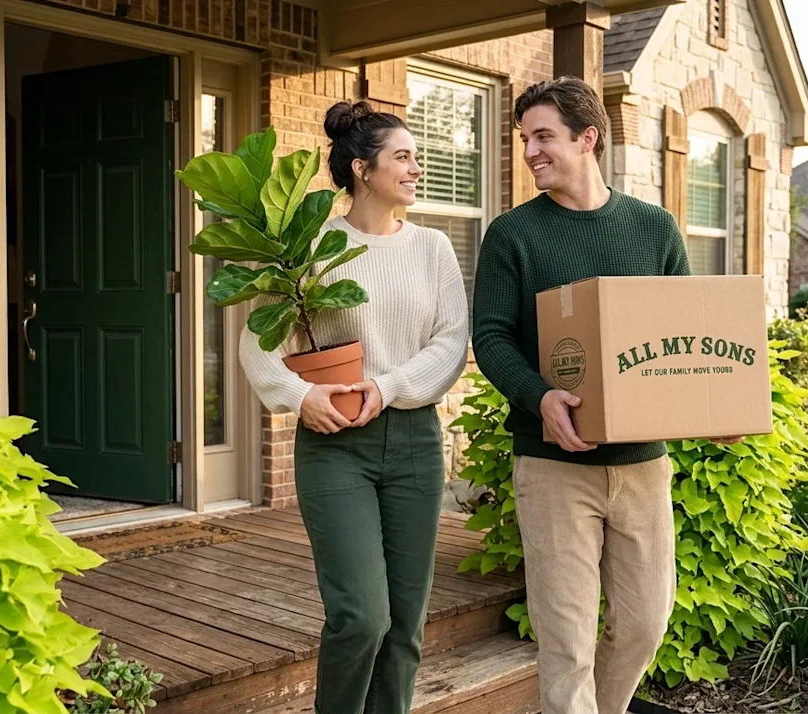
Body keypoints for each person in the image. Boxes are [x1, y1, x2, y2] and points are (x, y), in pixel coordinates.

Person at [471, 76, 729, 714]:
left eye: (543, 137)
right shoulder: (513, 235)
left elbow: (683, 335)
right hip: (554, 465)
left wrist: (711, 407)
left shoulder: (653, 228)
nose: (530, 150)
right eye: (524, 138)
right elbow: (492, 336)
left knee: (644, 624)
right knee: (566, 639)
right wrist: (541, 398)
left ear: (588, 138)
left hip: (642, 466)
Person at [238, 100, 470, 714]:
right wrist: (301, 395)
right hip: (336, 448)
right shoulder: (311, 248)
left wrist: (388, 386)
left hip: (416, 444)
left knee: (404, 627)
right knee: (361, 617)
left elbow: (450, 344)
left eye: (416, 157)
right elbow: (259, 345)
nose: (417, 168)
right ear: (363, 170)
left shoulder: (434, 249)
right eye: (404, 157)